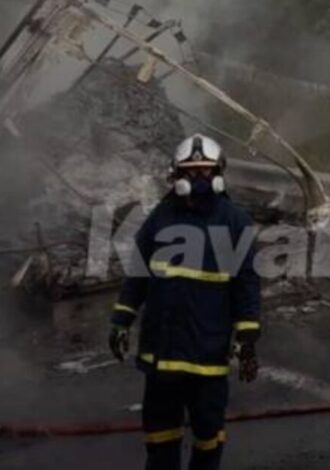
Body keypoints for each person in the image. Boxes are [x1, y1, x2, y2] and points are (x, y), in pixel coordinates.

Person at [108, 134, 261, 470]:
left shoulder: (234, 222)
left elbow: (247, 283)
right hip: (161, 355)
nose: (199, 178)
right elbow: (138, 274)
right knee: (160, 437)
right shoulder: (160, 217)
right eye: (191, 171)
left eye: (205, 171)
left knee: (208, 436)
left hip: (207, 356)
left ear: (218, 174)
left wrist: (248, 338)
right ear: (176, 175)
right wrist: (121, 320)